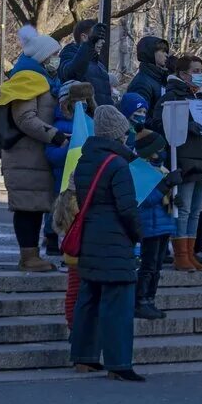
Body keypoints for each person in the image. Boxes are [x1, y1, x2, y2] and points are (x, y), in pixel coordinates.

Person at [68, 105, 146, 381]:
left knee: (88, 298)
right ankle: (119, 363)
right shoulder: (117, 164)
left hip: (91, 235)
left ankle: (84, 357)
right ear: (117, 134)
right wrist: (139, 233)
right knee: (118, 302)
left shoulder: (86, 160)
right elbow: (127, 208)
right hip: (114, 240)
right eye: (124, 133)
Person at [0, 25, 66, 272]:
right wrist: (55, 136)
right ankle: (28, 257)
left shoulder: (45, 80)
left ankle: (32, 255)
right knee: (27, 207)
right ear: (43, 57)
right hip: (24, 156)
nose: (57, 60)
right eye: (55, 55)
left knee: (35, 207)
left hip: (35, 157)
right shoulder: (28, 79)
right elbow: (26, 119)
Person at [155, 54, 202, 271]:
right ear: (182, 74)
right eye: (195, 71)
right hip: (186, 162)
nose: (200, 76)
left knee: (196, 210)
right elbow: (159, 124)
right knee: (183, 209)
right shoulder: (171, 98)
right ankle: (180, 254)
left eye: (201, 71)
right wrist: (186, 126)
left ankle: (190, 252)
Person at [132, 129, 181, 319]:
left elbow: (163, 198)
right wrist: (166, 185)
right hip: (150, 226)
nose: (163, 152)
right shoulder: (139, 170)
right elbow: (146, 199)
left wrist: (175, 200)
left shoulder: (161, 169)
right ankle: (140, 301)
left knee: (157, 267)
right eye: (159, 148)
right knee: (148, 266)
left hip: (163, 224)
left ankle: (150, 299)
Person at [45, 80, 96, 255]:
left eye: (85, 100)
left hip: (87, 179)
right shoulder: (59, 126)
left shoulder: (90, 123)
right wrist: (67, 146)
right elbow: (52, 155)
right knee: (65, 212)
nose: (82, 104)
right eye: (77, 101)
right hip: (64, 179)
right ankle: (59, 244)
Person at [58, 20, 113, 106]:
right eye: (98, 37)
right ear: (84, 37)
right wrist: (89, 44)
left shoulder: (100, 65)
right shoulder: (68, 54)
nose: (103, 41)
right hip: (82, 117)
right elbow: (71, 74)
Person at [127, 36, 170, 122]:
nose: (166, 55)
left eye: (166, 51)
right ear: (150, 52)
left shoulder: (159, 79)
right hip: (150, 133)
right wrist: (160, 127)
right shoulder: (142, 82)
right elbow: (139, 117)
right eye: (162, 51)